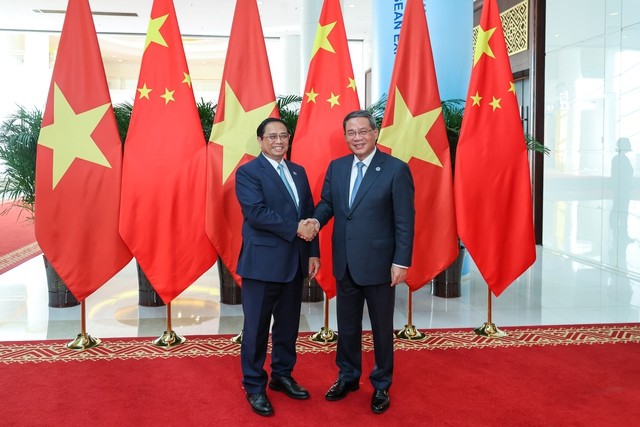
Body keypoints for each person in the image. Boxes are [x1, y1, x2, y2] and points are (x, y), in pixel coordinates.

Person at [309, 110, 415, 414]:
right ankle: (348, 377)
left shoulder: (395, 170)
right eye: (351, 133)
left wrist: (401, 261)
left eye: (362, 132)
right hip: (345, 262)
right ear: (345, 137)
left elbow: (405, 220)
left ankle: (382, 383)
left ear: (375, 132)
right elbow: (328, 203)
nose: (357, 138)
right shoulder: (337, 167)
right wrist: (315, 222)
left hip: (381, 263)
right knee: (348, 326)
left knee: (382, 328)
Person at [235, 117, 320, 417]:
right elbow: (257, 214)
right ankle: (255, 385)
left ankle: (282, 375)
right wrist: (297, 229)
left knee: (288, 327)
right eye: (271, 137)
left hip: (295, 263)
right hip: (261, 265)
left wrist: (313, 252)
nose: (278, 141)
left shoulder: (298, 171)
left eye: (283, 135)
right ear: (260, 141)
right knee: (256, 328)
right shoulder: (248, 173)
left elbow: (309, 213)